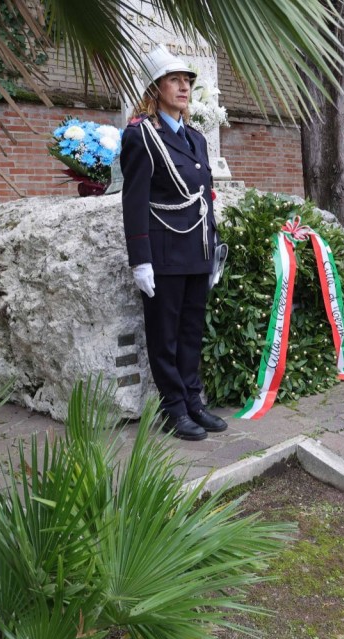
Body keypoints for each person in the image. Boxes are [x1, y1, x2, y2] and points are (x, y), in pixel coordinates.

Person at [121, 46, 227, 440]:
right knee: (164, 335)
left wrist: (213, 248)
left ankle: (194, 402)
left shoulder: (196, 138)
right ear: (156, 87)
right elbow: (134, 201)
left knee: (190, 331)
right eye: (174, 80)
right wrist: (140, 259)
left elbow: (205, 198)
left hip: (196, 251)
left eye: (187, 81)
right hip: (164, 254)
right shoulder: (141, 135)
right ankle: (173, 408)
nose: (183, 87)